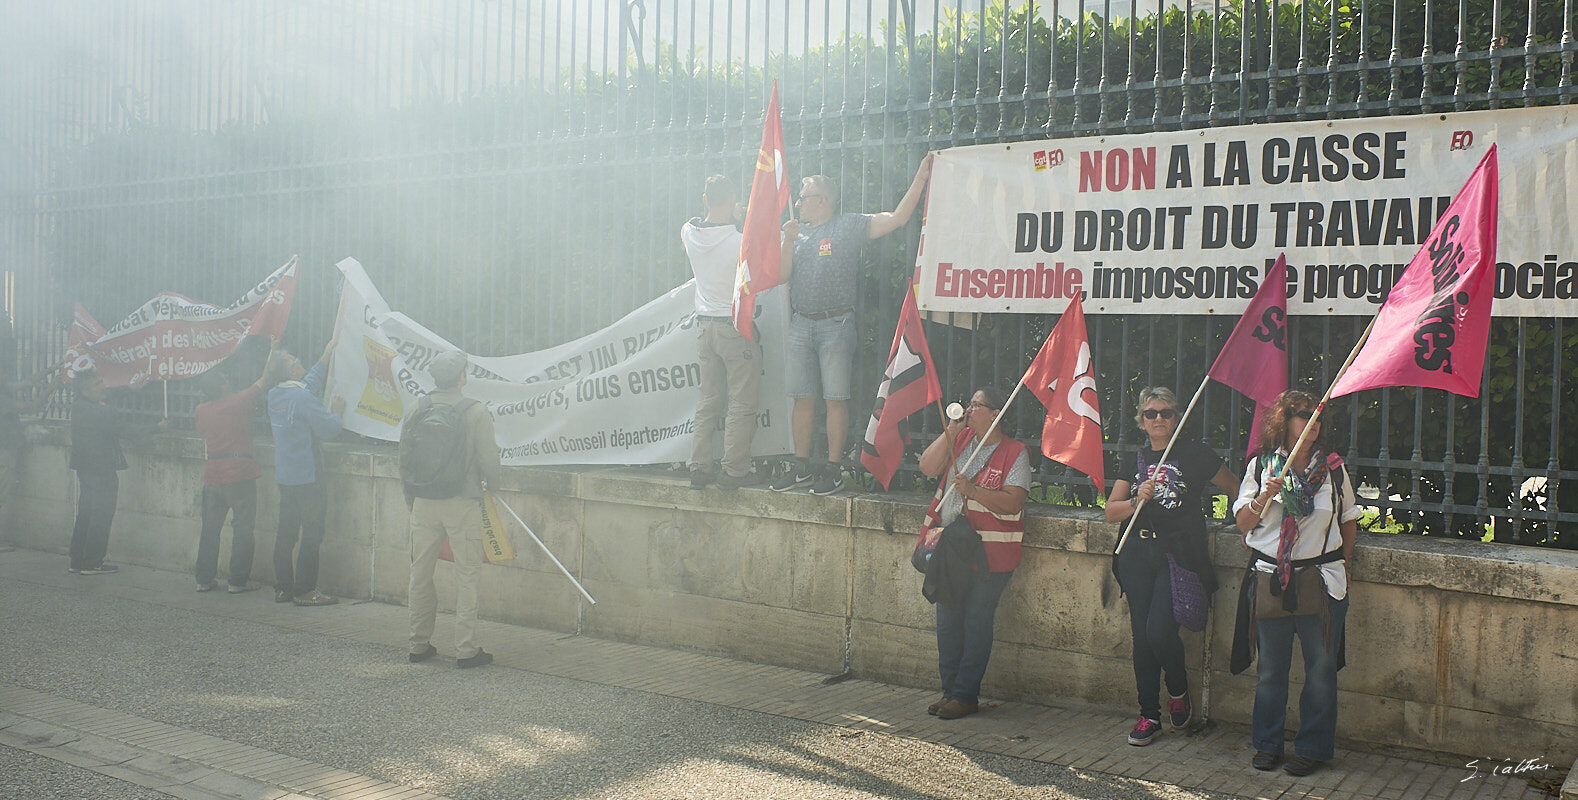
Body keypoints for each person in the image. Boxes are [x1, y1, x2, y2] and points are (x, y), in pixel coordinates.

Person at [769, 155, 934, 496]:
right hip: (801, 324)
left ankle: (832, 470)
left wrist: (920, 177)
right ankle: (801, 467)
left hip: (836, 324)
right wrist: (787, 240)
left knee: (835, 398)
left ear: (822, 200)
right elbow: (782, 276)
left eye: (803, 196)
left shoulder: (847, 225)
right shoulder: (795, 234)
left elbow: (898, 218)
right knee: (802, 398)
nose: (798, 202)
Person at [1232, 390, 1358, 777]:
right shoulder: (1261, 467)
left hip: (1322, 581)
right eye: (1304, 414)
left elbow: (1348, 518)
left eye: (1318, 415)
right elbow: (1243, 524)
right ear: (1283, 421)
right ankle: (1267, 745)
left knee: (1320, 670)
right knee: (1271, 668)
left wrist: (1346, 566)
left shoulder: (1333, 469)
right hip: (1272, 579)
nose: (1312, 421)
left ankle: (1313, 749)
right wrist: (1263, 498)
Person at [1105, 386, 1238, 746]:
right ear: (1142, 421)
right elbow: (1110, 510)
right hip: (1136, 555)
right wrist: (1136, 499)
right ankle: (1148, 714)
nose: (1159, 419)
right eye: (1151, 413)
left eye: (1166, 413)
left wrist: (1240, 524)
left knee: (1159, 632)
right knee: (1141, 640)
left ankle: (1177, 689)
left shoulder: (1194, 454)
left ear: (1177, 417)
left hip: (1176, 558)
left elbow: (1235, 488)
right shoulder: (1133, 459)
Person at [915, 387, 1030, 720]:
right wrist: (952, 430)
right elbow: (927, 466)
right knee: (948, 622)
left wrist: (975, 492)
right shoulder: (961, 439)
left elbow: (1014, 501)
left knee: (976, 621)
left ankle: (966, 695)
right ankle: (949, 691)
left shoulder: (1014, 452)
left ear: (996, 414)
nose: (969, 408)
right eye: (970, 403)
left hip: (991, 554)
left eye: (976, 405)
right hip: (952, 551)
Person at [401, 350, 501, 669]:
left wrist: (410, 497)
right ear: (462, 378)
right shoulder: (476, 411)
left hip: (424, 503)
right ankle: (466, 649)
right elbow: (489, 459)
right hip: (462, 502)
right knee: (467, 575)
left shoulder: (416, 409)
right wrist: (493, 488)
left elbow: (404, 457)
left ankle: (418, 644)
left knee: (420, 572)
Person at [681, 174, 761, 490]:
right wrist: (739, 218)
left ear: (704, 199)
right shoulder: (739, 241)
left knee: (708, 399)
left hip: (705, 328)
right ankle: (734, 470)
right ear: (732, 200)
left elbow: (693, 222)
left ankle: (699, 467)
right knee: (740, 401)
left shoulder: (688, 233)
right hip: (733, 325)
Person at [192, 340, 284, 592]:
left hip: (212, 474)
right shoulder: (236, 402)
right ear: (221, 386)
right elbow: (265, 379)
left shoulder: (200, 410)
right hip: (239, 472)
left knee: (210, 530)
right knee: (243, 528)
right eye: (224, 379)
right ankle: (237, 580)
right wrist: (273, 347)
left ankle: (203, 578)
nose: (229, 381)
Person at [67, 368, 168, 574]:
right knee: (101, 514)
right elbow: (126, 429)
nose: (102, 386)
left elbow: (106, 394)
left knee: (86, 512)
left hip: (85, 467)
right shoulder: (100, 411)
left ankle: (77, 560)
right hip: (102, 467)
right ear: (86, 391)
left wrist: (129, 389)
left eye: (100, 381)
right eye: (97, 384)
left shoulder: (79, 405)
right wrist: (157, 427)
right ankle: (92, 562)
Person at [267, 338, 344, 606]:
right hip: (309, 476)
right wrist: (337, 413)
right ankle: (305, 590)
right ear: (290, 372)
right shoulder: (301, 398)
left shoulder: (275, 395)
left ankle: (283, 588)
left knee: (286, 533)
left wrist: (324, 357)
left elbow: (306, 387)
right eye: (295, 362)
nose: (299, 362)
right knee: (312, 533)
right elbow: (328, 430)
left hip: (286, 476)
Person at [0, 369, 59, 550]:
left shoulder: (4, 390)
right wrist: (51, 387)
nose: (6, 375)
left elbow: (27, 382)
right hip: (4, 451)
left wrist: (54, 367)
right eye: (2, 373)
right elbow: (33, 407)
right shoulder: (3, 399)